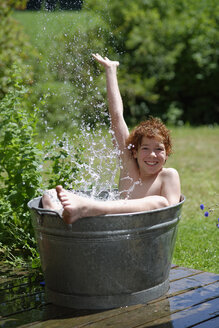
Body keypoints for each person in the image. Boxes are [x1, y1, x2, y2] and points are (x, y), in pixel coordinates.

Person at [42, 53, 181, 224]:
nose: (152, 155)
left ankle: (90, 208)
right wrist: (110, 70)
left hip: (145, 236)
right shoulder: (129, 165)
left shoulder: (167, 176)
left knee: (160, 202)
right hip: (116, 231)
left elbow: (170, 213)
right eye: (145, 148)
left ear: (167, 153)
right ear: (135, 152)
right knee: (50, 195)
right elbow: (116, 118)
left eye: (158, 149)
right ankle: (65, 222)